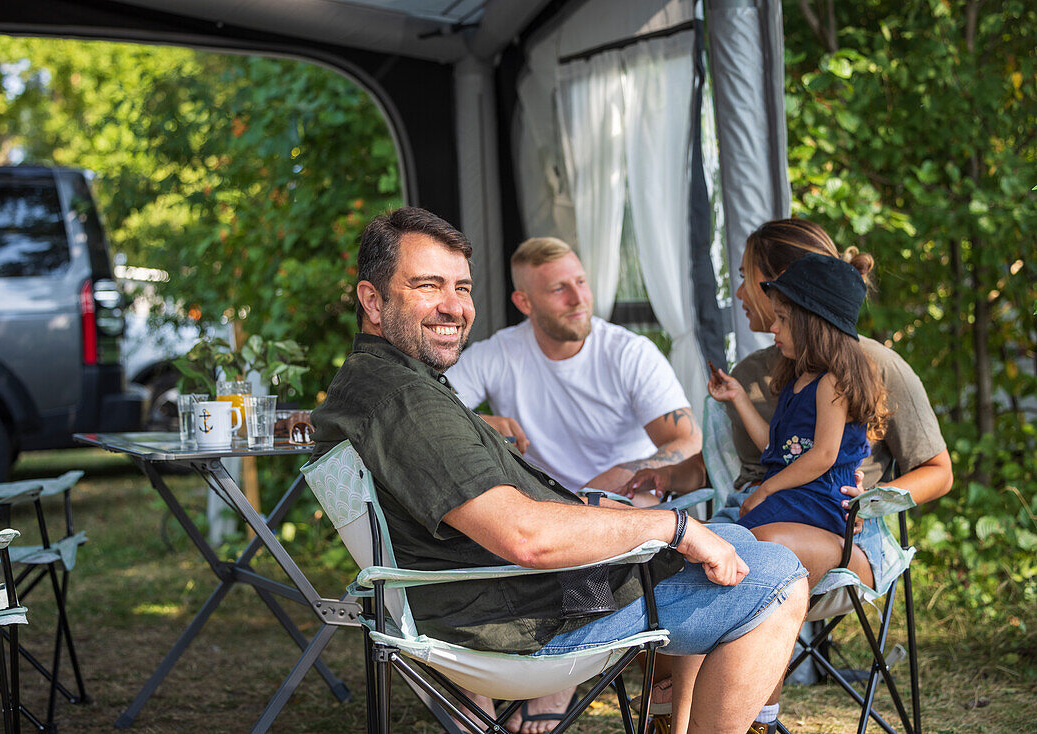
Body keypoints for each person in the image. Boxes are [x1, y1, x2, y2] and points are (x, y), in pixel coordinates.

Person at [311, 206, 810, 734]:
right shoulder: (406, 400)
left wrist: (609, 512)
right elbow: (526, 538)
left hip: (503, 597)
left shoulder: (375, 383)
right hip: (527, 618)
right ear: (372, 299)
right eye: (428, 286)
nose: (453, 307)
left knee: (736, 541)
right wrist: (671, 526)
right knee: (778, 577)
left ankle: (677, 720)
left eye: (461, 288)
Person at [620, 218, 952, 733]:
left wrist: (874, 500)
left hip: (842, 533)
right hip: (756, 515)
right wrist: (657, 478)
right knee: (679, 563)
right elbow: (742, 459)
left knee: (755, 561)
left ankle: (752, 719)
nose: (737, 291)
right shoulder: (760, 369)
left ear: (784, 287)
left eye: (747, 276)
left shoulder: (873, 366)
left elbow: (937, 471)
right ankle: (678, 715)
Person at [446, 237, 701, 499]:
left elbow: (688, 441)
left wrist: (619, 476)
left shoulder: (631, 353)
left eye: (581, 282)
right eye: (559, 289)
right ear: (525, 303)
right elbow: (429, 403)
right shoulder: (498, 353)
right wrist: (479, 423)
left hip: (624, 501)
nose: (578, 299)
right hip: (543, 507)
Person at [708, 253, 888, 539]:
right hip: (797, 495)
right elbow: (778, 446)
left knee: (734, 540)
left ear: (812, 326)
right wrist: (739, 397)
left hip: (821, 499)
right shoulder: (798, 380)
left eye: (782, 319)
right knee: (724, 538)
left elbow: (823, 456)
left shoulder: (832, 383)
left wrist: (765, 489)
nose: (773, 327)